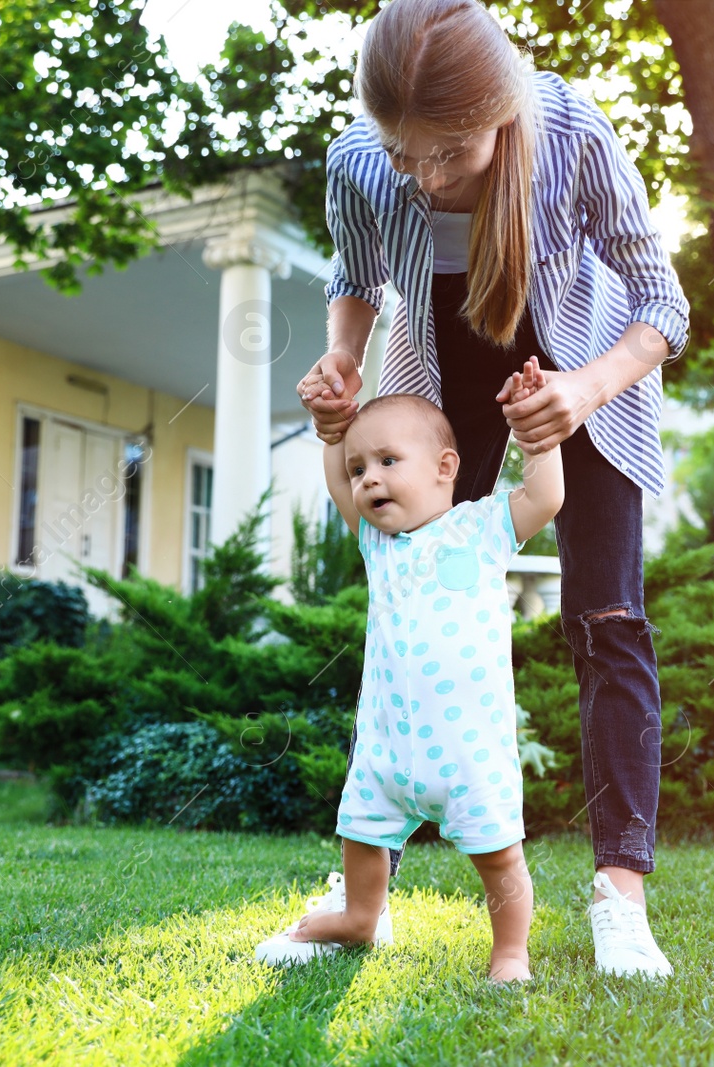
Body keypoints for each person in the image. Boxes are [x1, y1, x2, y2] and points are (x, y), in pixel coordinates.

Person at [296, 0, 689, 979]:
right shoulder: (360, 161)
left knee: (606, 619)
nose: (419, 177)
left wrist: (581, 392)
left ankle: (618, 897)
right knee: (404, 607)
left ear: (502, 113)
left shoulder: (568, 133)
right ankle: (363, 901)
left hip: (578, 369)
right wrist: (343, 358)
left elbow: (661, 302)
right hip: (439, 372)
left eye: (445, 154)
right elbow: (355, 277)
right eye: (402, 152)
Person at [255, 363, 563, 984]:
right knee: (362, 837)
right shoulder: (377, 545)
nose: (368, 480)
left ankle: (510, 953)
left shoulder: (481, 528)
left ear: (444, 468)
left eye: (387, 461)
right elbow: (339, 488)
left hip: (469, 750)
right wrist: (331, 437)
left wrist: (538, 441)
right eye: (359, 469)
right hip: (386, 749)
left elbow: (544, 498)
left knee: (500, 858)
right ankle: (359, 918)